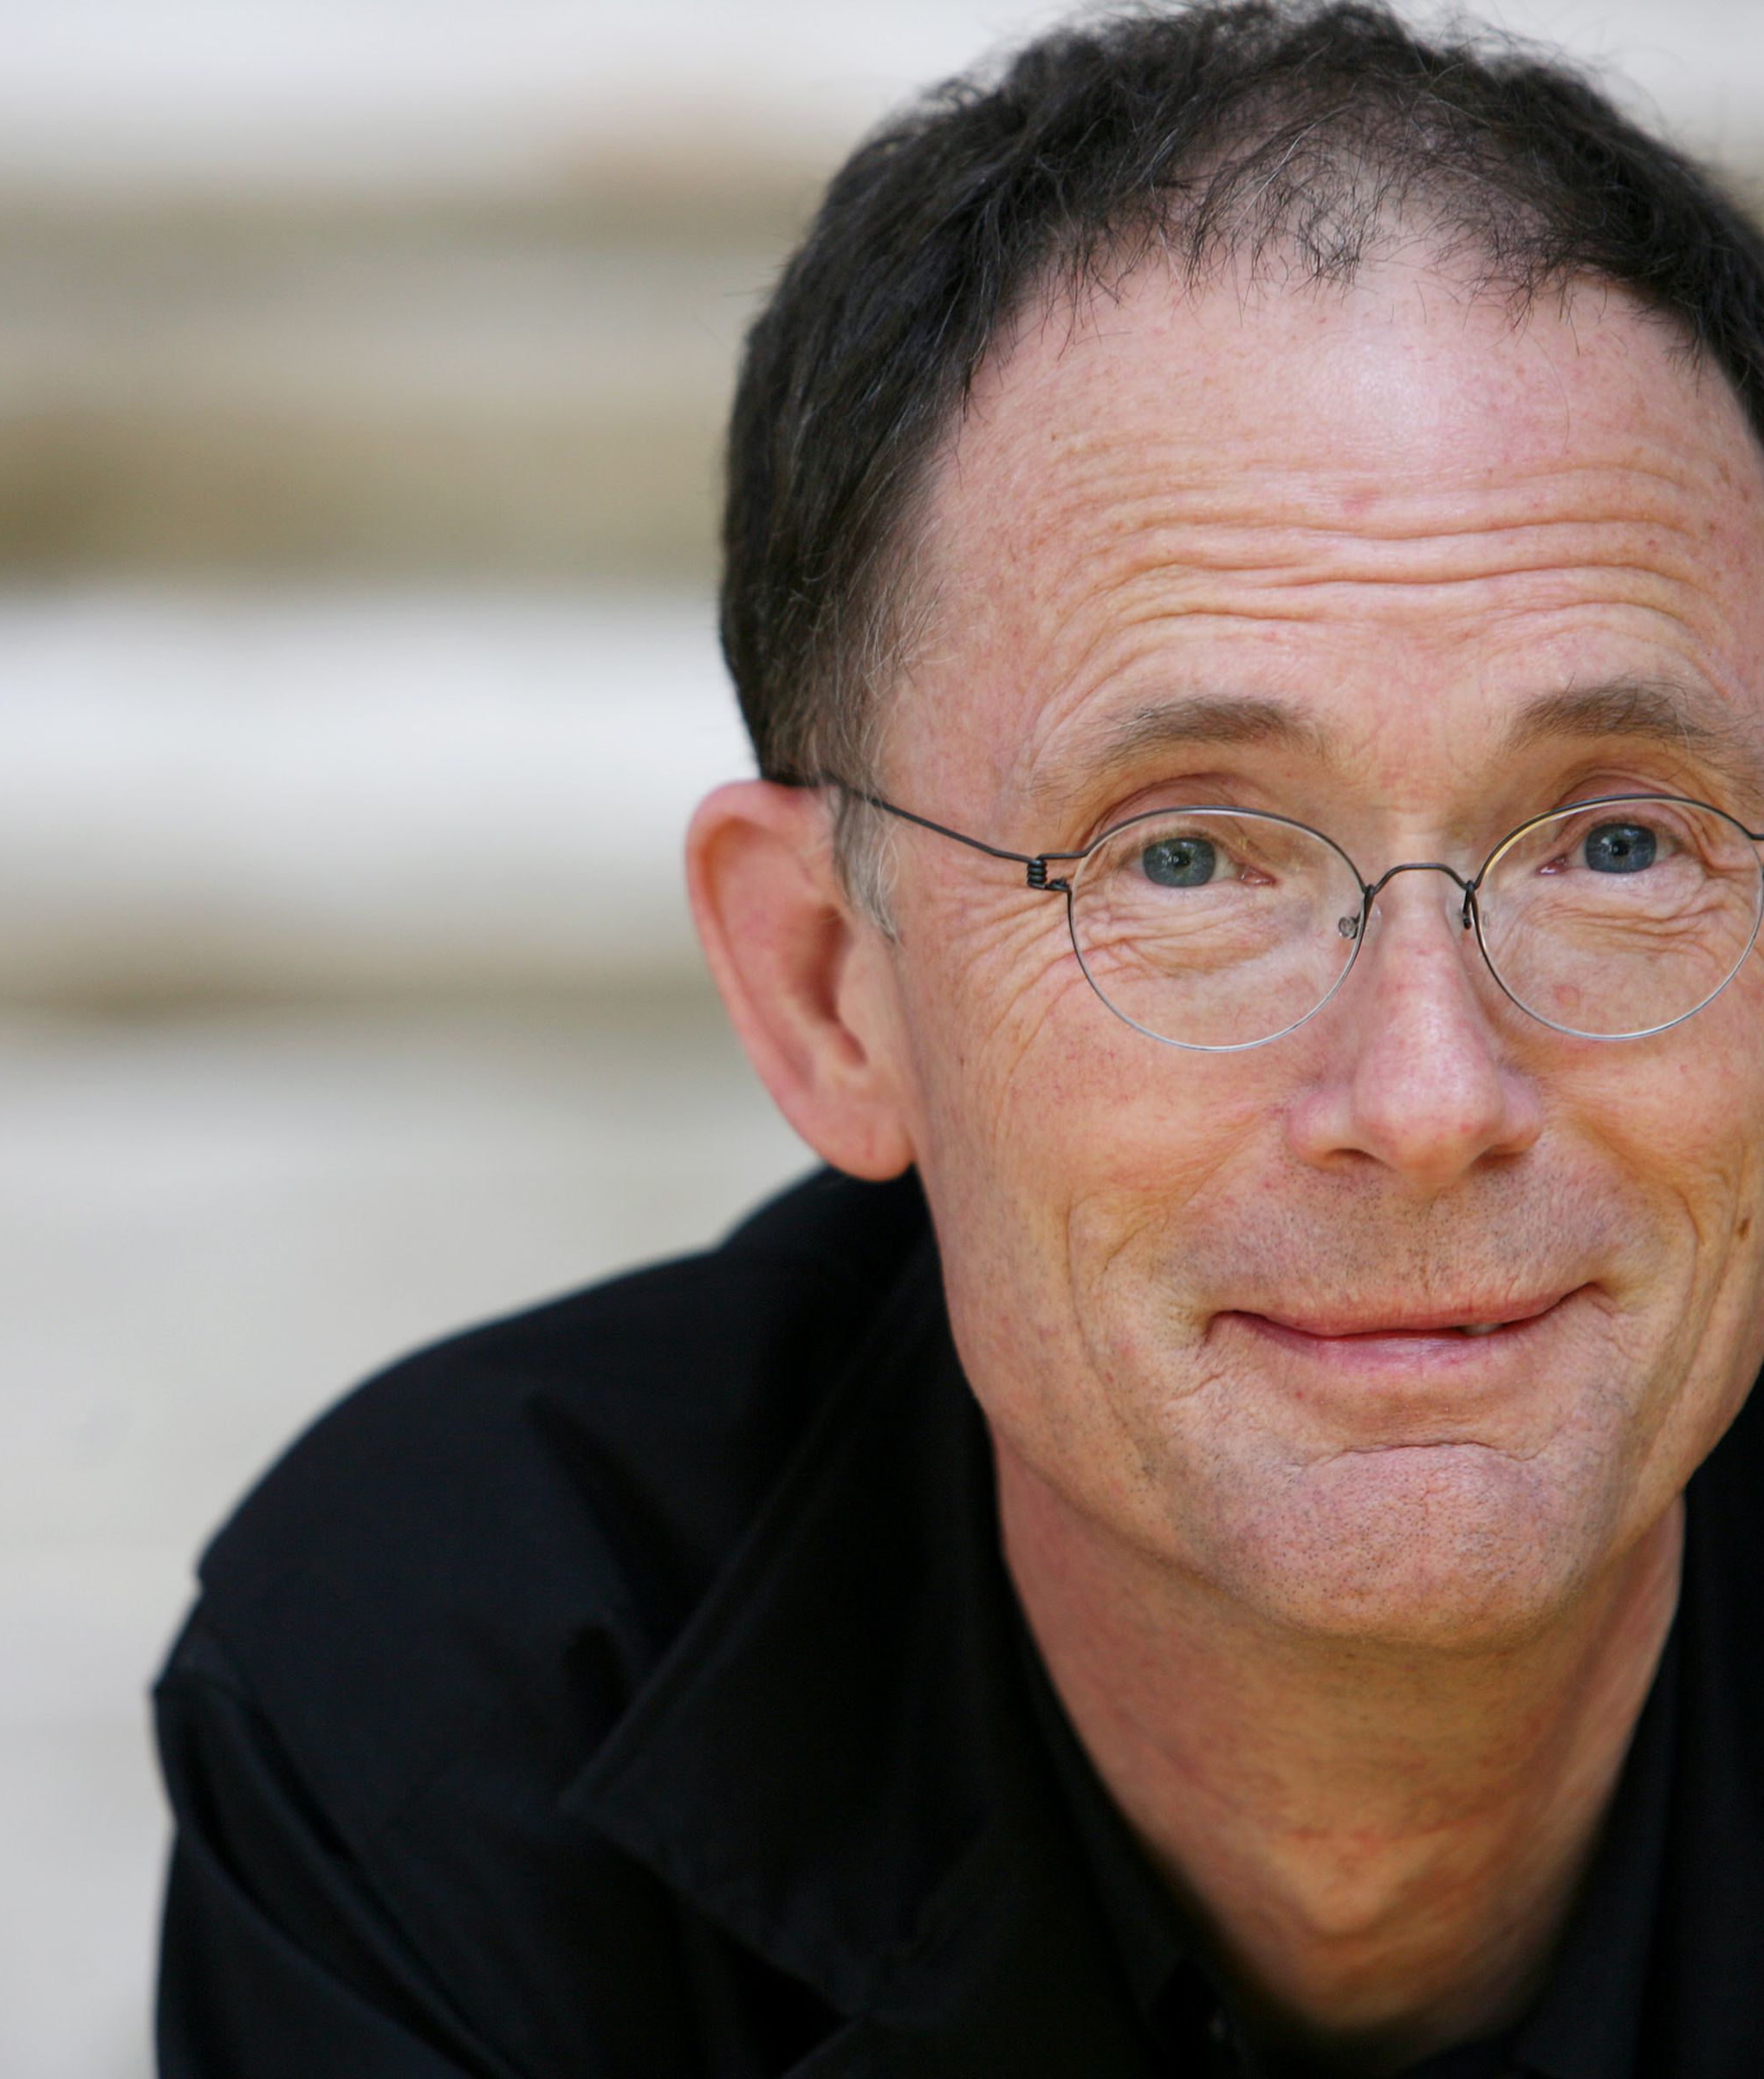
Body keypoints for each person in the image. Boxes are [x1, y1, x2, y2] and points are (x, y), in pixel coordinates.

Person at [152, 3, 1764, 2072]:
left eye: (1617, 840)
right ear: (832, 986)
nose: (1433, 1098)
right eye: (1187, 865)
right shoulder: (460, 1701)